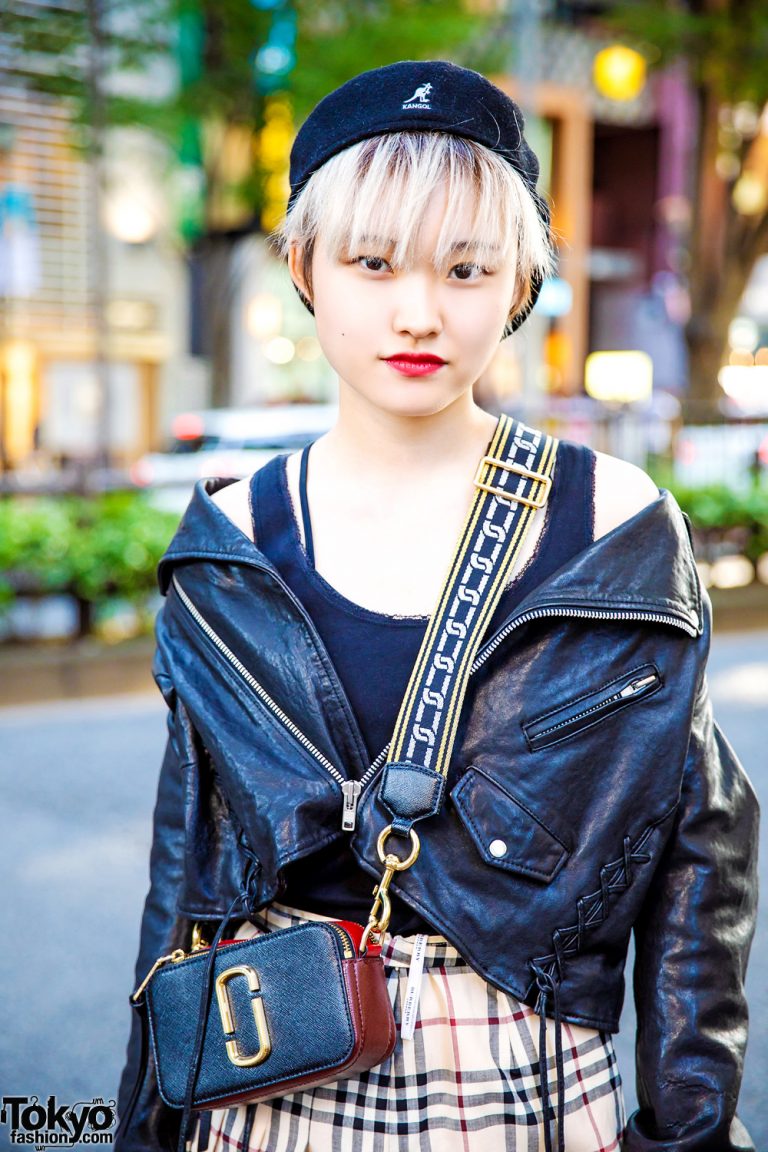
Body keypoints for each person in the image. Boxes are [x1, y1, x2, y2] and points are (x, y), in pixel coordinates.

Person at [116, 60, 758, 1152]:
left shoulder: (613, 522)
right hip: (272, 1060)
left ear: (518, 287)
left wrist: (690, 1127)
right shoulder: (234, 539)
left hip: (527, 1072)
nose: (419, 312)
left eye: (466, 268)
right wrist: (147, 1118)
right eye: (374, 262)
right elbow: (189, 865)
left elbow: (698, 843)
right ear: (305, 266)